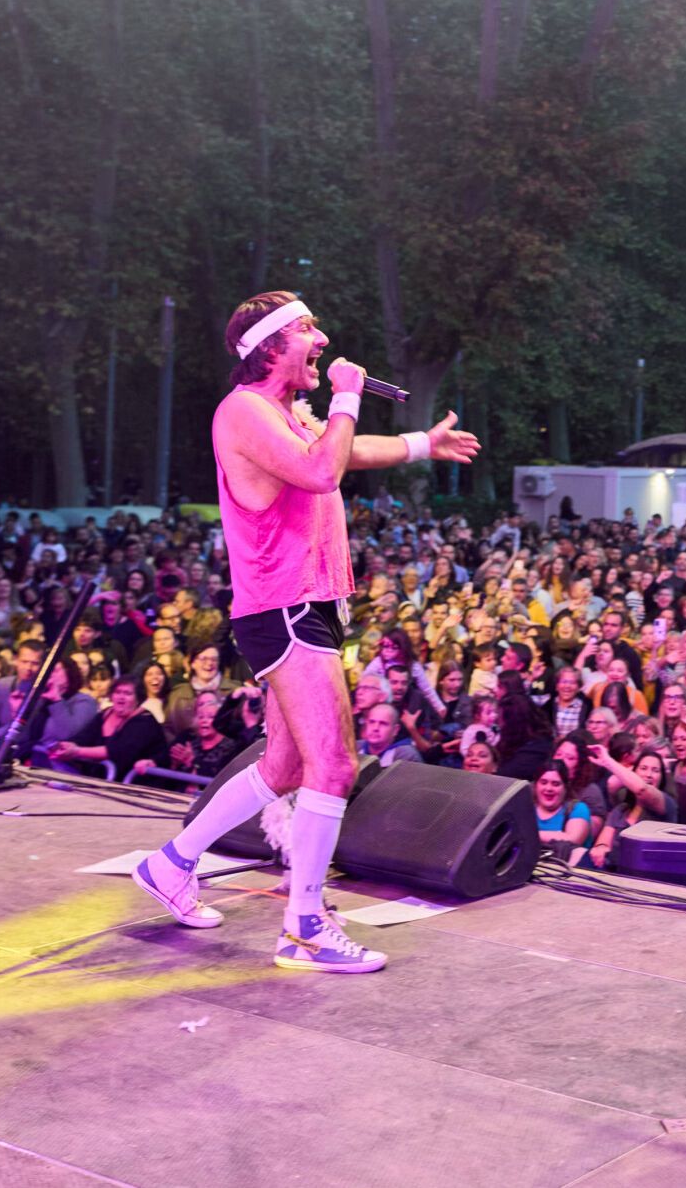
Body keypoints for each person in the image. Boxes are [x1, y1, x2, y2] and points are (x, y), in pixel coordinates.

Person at [128, 291, 478, 975]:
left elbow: (341, 450)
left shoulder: (285, 412)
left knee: (286, 767)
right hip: (285, 607)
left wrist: (421, 444)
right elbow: (323, 470)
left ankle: (170, 863)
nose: (322, 340)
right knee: (335, 766)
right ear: (269, 347)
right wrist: (347, 395)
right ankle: (305, 928)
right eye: (307, 330)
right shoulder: (244, 412)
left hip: (306, 605)